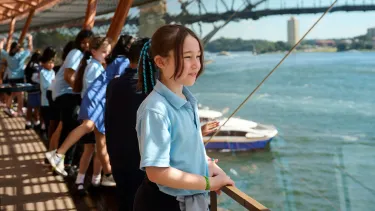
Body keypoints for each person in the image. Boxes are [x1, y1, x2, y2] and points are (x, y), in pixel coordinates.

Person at [133, 25, 234, 211]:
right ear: (161, 62)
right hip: (165, 204)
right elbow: (157, 172)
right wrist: (208, 183)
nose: (197, 64)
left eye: (198, 56)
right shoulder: (156, 109)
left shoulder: (187, 99)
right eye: (187, 57)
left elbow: (183, 151)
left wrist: (206, 166)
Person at [105, 38, 149, 211]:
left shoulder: (114, 84)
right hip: (139, 162)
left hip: (117, 156)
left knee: (124, 201)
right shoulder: (145, 87)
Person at [46, 29, 93, 175]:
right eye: (85, 42)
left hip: (67, 93)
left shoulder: (83, 55)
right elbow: (68, 76)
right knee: (71, 126)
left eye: (89, 43)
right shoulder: (76, 53)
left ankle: (63, 161)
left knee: (67, 126)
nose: (87, 45)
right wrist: (82, 93)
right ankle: (60, 159)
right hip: (66, 93)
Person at [0, 34, 33, 117]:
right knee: (20, 95)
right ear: (17, 49)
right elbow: (30, 49)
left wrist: (2, 42)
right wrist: (30, 39)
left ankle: (8, 107)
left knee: (13, 93)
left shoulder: (8, 55)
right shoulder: (20, 56)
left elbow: (0, 49)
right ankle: (20, 110)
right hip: (19, 78)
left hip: (11, 78)